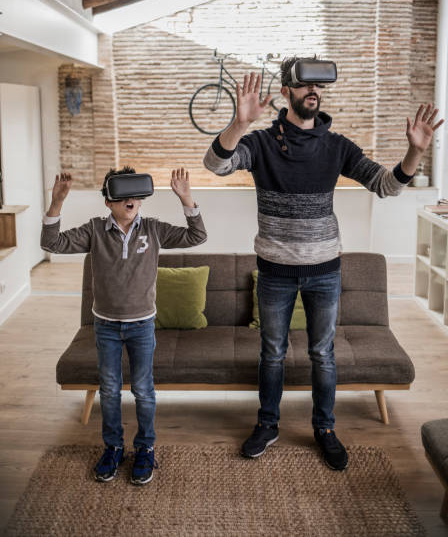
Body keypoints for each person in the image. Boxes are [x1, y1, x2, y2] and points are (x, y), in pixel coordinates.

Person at [203, 56, 444, 470]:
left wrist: (413, 152)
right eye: (303, 85)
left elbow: (386, 186)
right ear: (286, 92)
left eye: (318, 86)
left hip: (325, 273)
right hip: (275, 272)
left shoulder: (337, 146)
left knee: (322, 354)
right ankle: (267, 424)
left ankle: (325, 428)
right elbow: (216, 164)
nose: (313, 91)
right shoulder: (261, 143)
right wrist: (239, 123)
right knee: (273, 353)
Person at [41, 166, 207, 484]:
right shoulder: (94, 230)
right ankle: (113, 447)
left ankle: (145, 449)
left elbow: (196, 236)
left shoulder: (155, 230)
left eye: (135, 194)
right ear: (109, 201)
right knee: (110, 390)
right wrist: (56, 204)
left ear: (142, 198)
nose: (130, 199)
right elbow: (53, 244)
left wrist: (186, 198)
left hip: (142, 325)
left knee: (144, 391)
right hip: (105, 326)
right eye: (122, 194)